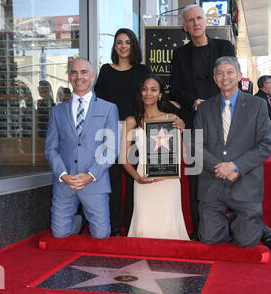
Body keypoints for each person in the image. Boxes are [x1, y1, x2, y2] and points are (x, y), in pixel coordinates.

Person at [194, 56, 271, 250]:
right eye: (220, 73)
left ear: (239, 76)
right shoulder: (204, 108)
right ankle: (231, 221)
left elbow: (265, 145)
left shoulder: (258, 105)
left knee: (247, 242)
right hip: (212, 182)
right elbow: (195, 146)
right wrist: (220, 167)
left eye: (230, 72)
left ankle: (256, 226)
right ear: (215, 78)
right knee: (209, 239)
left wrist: (234, 166)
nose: (225, 77)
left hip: (245, 182)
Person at [169, 4, 236, 241]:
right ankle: (199, 229)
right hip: (192, 122)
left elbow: (232, 79)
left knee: (225, 171)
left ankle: (233, 224)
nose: (196, 23)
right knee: (197, 177)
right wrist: (193, 102)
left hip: (223, 121)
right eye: (191, 20)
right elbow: (174, 90)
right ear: (185, 27)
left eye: (199, 18)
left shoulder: (224, 46)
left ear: (205, 21)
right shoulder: (179, 54)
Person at [45, 57, 119, 239]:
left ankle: (88, 219)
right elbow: (51, 149)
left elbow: (110, 148)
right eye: (74, 72)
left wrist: (90, 175)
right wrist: (63, 175)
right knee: (60, 234)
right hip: (65, 183)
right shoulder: (57, 111)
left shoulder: (109, 108)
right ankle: (78, 221)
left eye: (84, 72)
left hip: (94, 181)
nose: (79, 77)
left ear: (92, 76)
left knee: (101, 235)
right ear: (69, 77)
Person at [94, 28, 151, 237]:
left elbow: (150, 98)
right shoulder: (106, 70)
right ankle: (115, 227)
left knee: (133, 178)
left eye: (127, 42)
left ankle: (131, 225)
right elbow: (98, 103)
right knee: (114, 180)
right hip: (110, 132)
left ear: (133, 45)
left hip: (136, 131)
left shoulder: (142, 71)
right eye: (119, 42)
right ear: (114, 46)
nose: (123, 46)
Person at [123, 75, 189, 240]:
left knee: (168, 229)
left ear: (160, 94)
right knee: (144, 228)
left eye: (153, 89)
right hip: (143, 178)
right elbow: (123, 158)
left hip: (169, 180)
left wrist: (183, 131)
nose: (148, 93)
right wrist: (138, 178)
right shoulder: (132, 121)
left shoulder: (172, 119)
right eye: (144, 89)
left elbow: (185, 157)